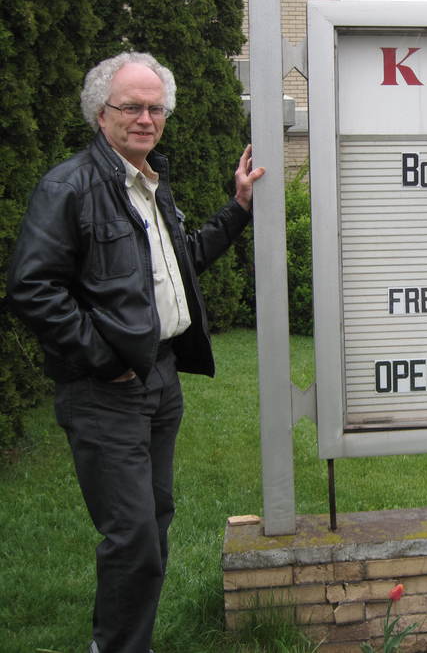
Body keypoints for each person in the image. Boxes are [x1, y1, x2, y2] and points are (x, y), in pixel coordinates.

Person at [7, 52, 265, 653]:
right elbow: (31, 288)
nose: (146, 118)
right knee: (134, 540)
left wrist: (238, 209)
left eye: (155, 108)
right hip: (106, 391)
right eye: (132, 107)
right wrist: (105, 357)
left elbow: (182, 263)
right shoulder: (70, 186)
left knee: (151, 526)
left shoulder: (147, 184)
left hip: (158, 382)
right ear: (102, 114)